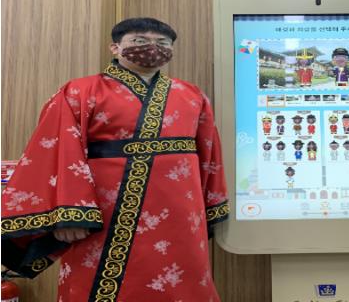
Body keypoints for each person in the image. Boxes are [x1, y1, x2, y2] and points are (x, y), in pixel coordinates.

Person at [1, 18, 229, 302]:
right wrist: (69, 213)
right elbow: (58, 151)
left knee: (183, 278)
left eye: (162, 43)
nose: (152, 48)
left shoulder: (192, 95)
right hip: (105, 211)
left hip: (180, 213)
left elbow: (209, 153)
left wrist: (210, 205)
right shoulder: (80, 91)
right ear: (115, 47)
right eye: (140, 41)